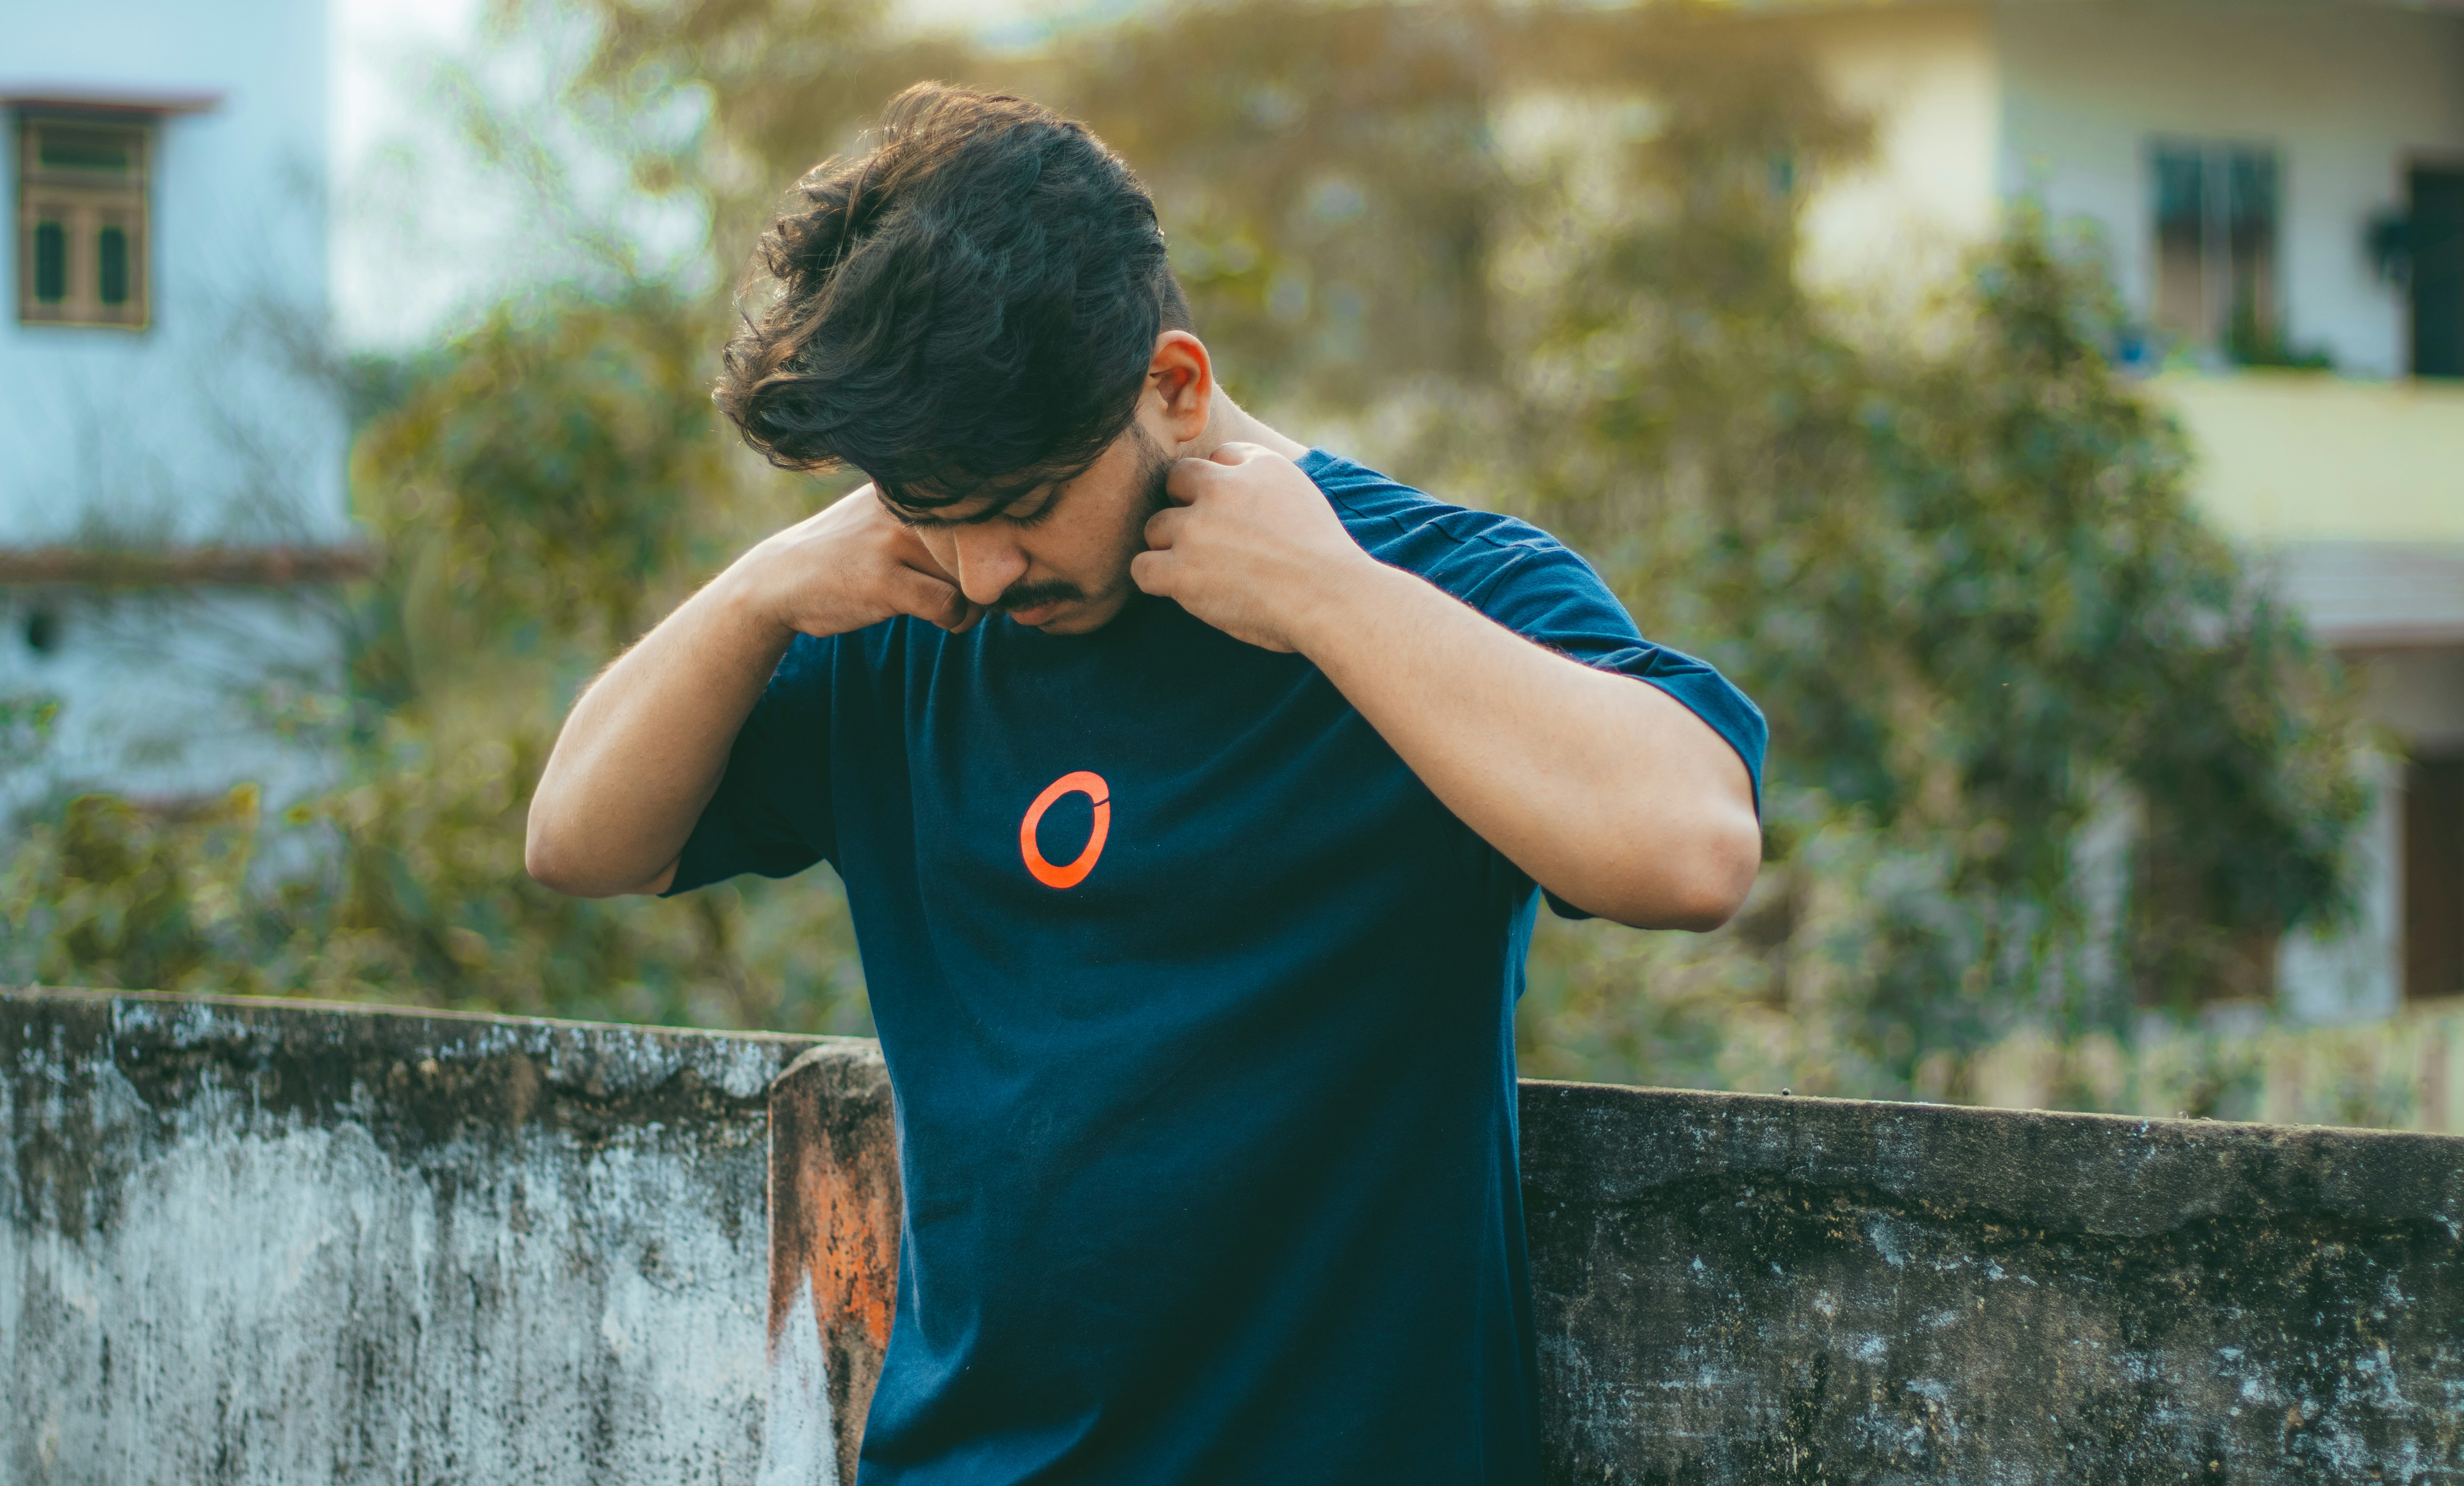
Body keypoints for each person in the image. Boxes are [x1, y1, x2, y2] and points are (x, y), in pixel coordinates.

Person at [526, 84, 1765, 1484]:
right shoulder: (912, 609)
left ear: (1171, 386)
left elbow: (1693, 852)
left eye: (1021, 510)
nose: (986, 572)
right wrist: (758, 592)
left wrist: (1328, 600)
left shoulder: (1425, 592)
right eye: (928, 515)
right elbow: (581, 838)